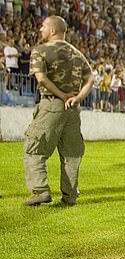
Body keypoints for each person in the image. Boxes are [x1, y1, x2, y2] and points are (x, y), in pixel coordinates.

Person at [23, 15, 94, 206]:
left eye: (44, 26)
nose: (41, 29)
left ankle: (40, 191)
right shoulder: (78, 53)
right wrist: (77, 98)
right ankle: (70, 196)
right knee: (71, 154)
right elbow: (91, 79)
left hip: (52, 105)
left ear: (53, 30)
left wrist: (62, 96)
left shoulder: (40, 50)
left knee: (34, 149)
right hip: (73, 110)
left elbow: (41, 78)